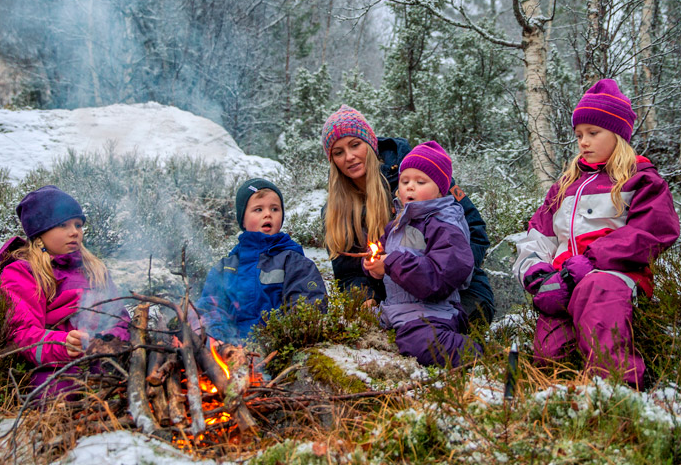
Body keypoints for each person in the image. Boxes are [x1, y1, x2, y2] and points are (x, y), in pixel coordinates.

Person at [513, 79, 680, 388]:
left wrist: (592, 261)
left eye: (593, 133)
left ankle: (623, 389)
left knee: (596, 290)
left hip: (614, 277)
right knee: (549, 353)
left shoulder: (639, 179)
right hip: (565, 281)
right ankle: (555, 400)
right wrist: (538, 275)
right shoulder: (564, 186)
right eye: (579, 135)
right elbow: (538, 234)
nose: (583, 142)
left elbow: (654, 229)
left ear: (618, 135)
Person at [321, 105, 495, 325]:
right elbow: (347, 274)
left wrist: (450, 275)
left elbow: (475, 230)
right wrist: (365, 298)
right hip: (392, 301)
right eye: (338, 152)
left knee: (439, 338)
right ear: (332, 160)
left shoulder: (418, 172)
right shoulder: (334, 211)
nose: (349, 157)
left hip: (459, 293)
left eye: (355, 145)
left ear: (370, 143)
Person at [0, 185, 130, 397]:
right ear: (40, 231)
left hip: (103, 361)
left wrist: (108, 340)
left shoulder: (95, 269)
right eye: (63, 225)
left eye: (78, 224)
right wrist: (62, 344)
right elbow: (21, 334)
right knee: (58, 392)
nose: (74, 232)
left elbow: (121, 319)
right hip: (55, 368)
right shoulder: (22, 272)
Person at [363, 141, 480, 366]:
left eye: (420, 182)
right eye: (405, 181)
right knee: (353, 326)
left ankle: (475, 354)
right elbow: (382, 253)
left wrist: (391, 263)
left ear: (440, 189)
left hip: (432, 311)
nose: (410, 187)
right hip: (397, 309)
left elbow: (442, 275)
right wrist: (373, 265)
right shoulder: (397, 224)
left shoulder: (445, 225)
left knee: (420, 343)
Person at [197, 178, 327, 342]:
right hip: (229, 351)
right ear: (243, 220)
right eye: (258, 209)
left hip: (277, 350)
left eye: (274, 209)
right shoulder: (226, 267)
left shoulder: (294, 262)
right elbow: (210, 306)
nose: (268, 214)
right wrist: (219, 339)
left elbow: (309, 305)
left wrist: (276, 339)